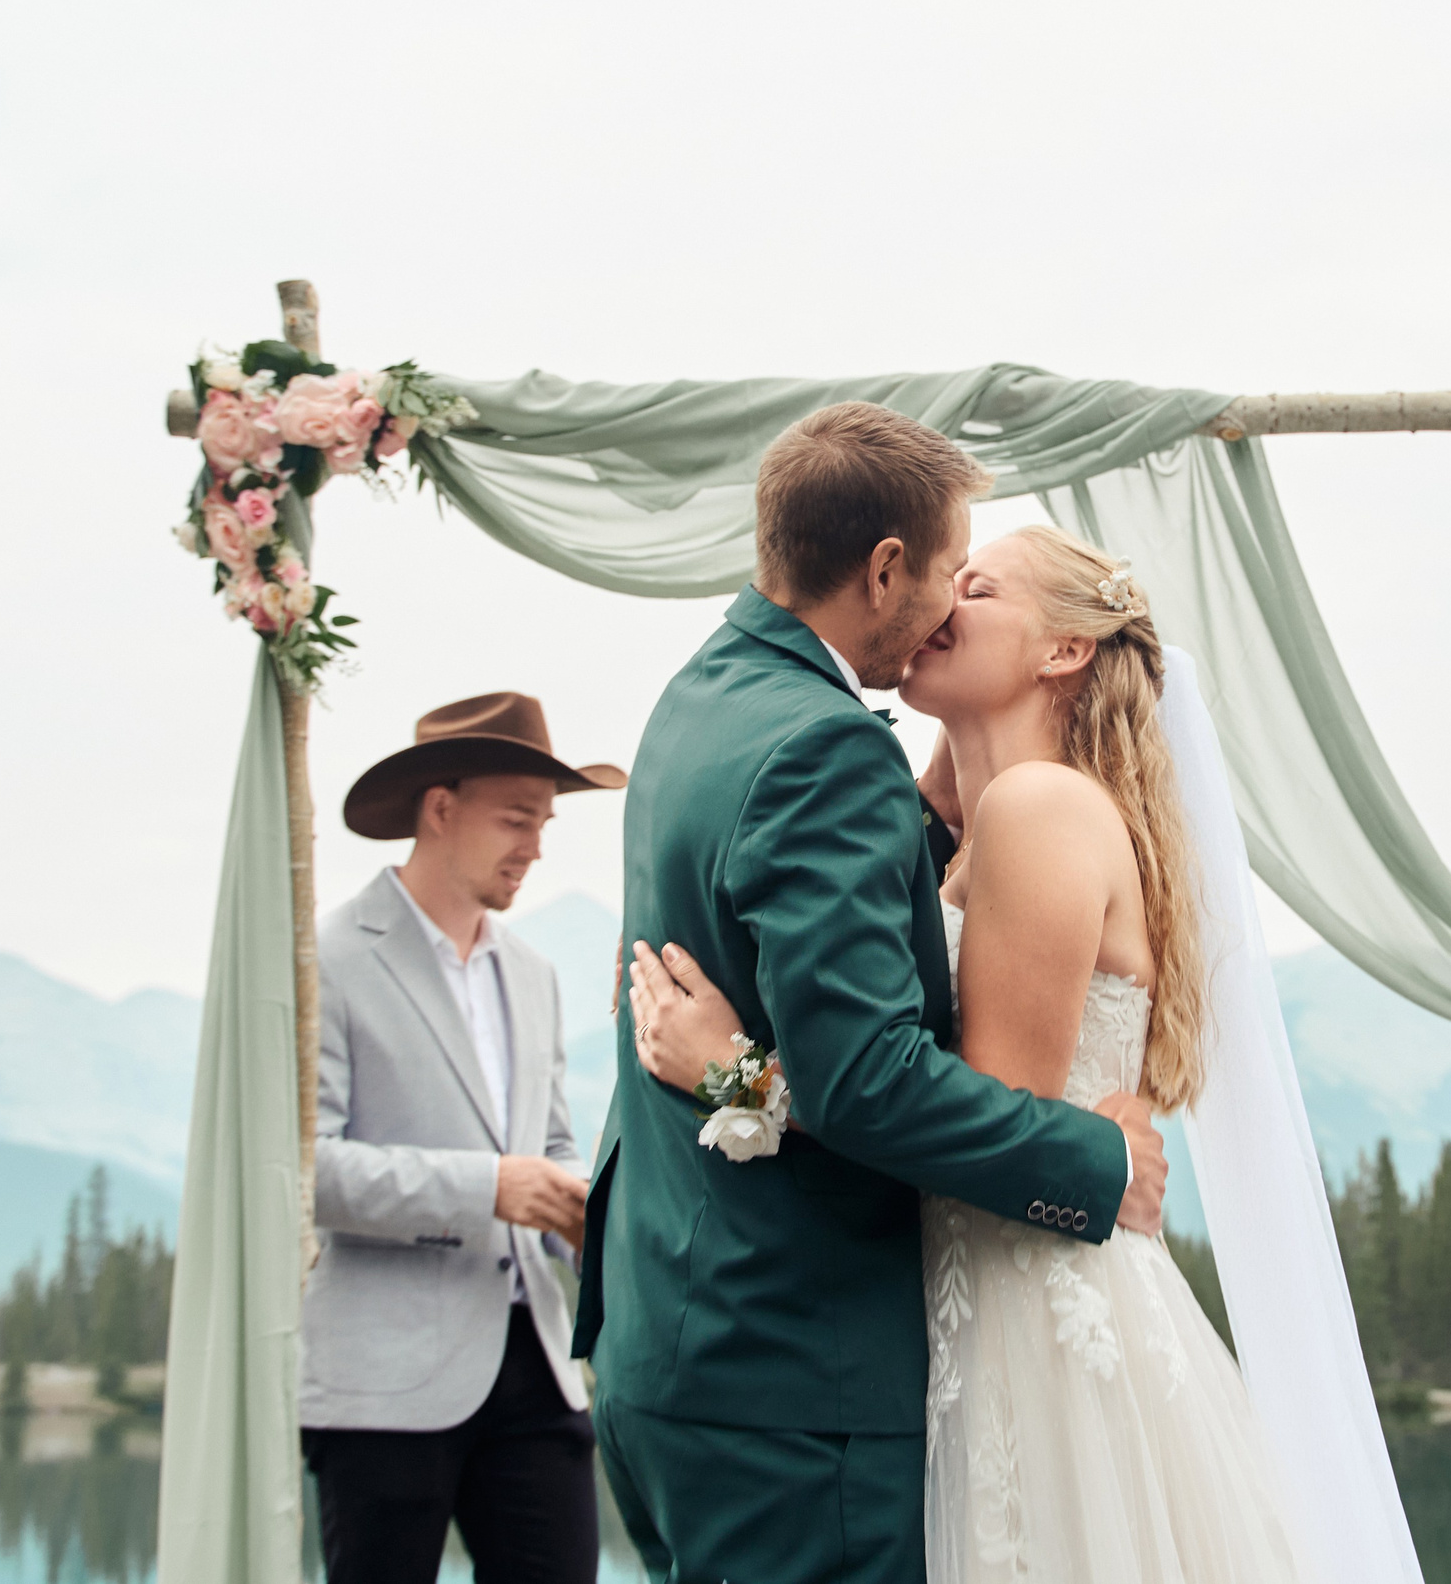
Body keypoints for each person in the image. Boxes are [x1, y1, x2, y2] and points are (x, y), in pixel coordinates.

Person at [632, 525, 1310, 1582]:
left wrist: (737, 1070)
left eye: (977, 585)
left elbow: (989, 1106)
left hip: (1031, 1314)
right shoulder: (958, 831)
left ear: (1063, 651)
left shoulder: (1040, 807)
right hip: (959, 1306)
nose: (943, 596)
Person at [573, 404, 1170, 1584]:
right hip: (790, 1370)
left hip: (678, 1339)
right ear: (886, 565)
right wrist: (1096, 1165)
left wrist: (737, 1067)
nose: (950, 601)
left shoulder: (704, 699)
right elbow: (867, 1079)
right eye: (953, 570)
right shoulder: (829, 749)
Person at [300, 693, 626, 1584]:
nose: (536, 846)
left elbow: (551, 1142)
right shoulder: (325, 958)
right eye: (517, 819)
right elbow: (306, 1172)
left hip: (538, 1374)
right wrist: (488, 1188)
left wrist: (576, 1206)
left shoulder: (533, 973)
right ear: (439, 809)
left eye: (546, 823)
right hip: (382, 1390)